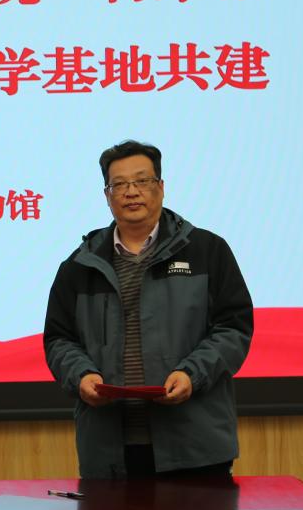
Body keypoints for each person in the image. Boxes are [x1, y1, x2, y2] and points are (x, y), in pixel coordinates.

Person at [43, 140, 252, 478]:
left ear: (161, 187)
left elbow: (233, 328)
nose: (131, 192)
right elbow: (59, 339)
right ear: (107, 195)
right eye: (119, 184)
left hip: (195, 448)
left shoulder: (207, 251)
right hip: (109, 452)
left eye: (142, 181)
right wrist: (81, 376)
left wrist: (192, 374)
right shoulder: (80, 265)